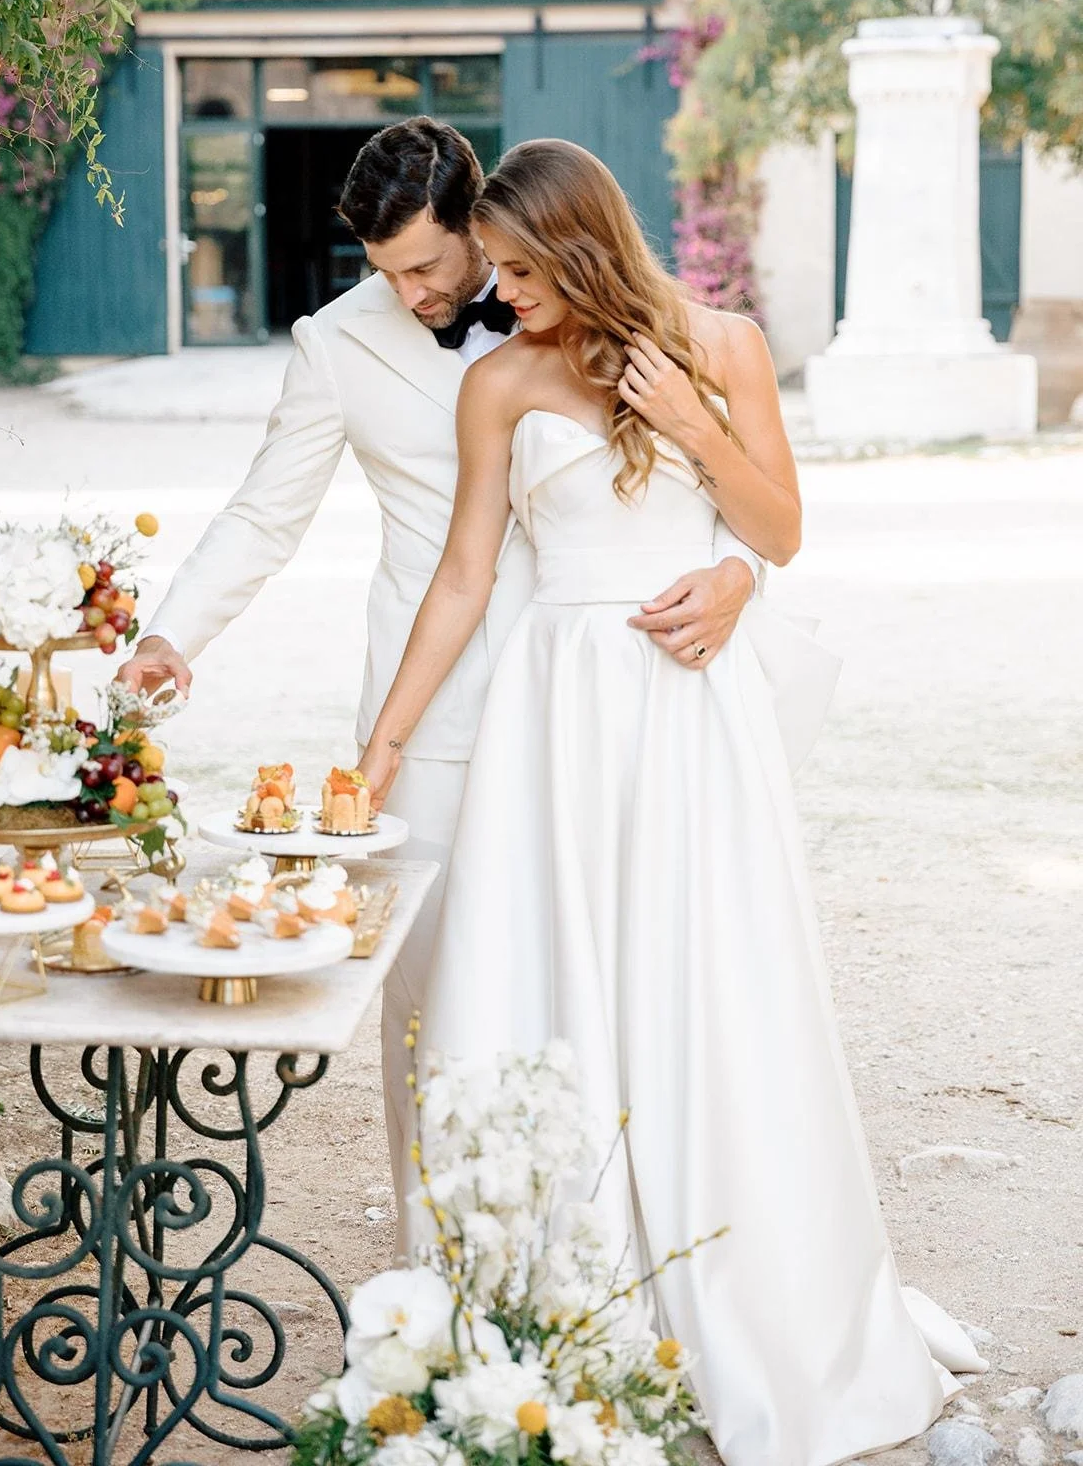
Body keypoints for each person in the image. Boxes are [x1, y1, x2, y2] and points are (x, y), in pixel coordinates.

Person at [357, 139, 985, 1466]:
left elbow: (780, 529)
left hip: (688, 719)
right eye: (498, 270)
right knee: (565, 986)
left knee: (709, 985)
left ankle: (747, 1295)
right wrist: (385, 743)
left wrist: (697, 431)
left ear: (584, 246)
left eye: (525, 269)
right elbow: (468, 579)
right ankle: (585, 1294)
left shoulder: (726, 347)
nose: (504, 291)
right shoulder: (498, 385)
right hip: (560, 716)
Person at [116, 117, 760, 1256]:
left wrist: (740, 576)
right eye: (385, 273)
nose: (412, 293)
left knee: (616, 977)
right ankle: (447, 1259)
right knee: (439, 1002)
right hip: (439, 719)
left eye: (428, 266)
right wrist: (174, 633)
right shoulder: (334, 346)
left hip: (614, 691)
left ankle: (616, 1244)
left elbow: (707, 486)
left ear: (482, 226)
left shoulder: (596, 311)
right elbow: (266, 512)